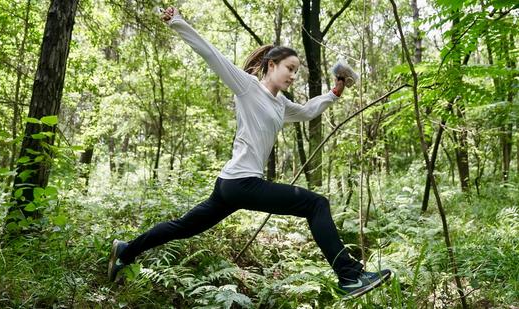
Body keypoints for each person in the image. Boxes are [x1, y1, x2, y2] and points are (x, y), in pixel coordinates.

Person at [108, 6, 392, 299]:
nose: (293, 75)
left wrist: (334, 93)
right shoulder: (247, 87)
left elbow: (307, 111)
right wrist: (178, 22)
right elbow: (211, 53)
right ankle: (350, 276)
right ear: (271, 65)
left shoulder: (280, 104)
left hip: (230, 184)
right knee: (315, 204)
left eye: (296, 71)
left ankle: (127, 249)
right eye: (289, 68)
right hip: (242, 182)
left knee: (183, 227)